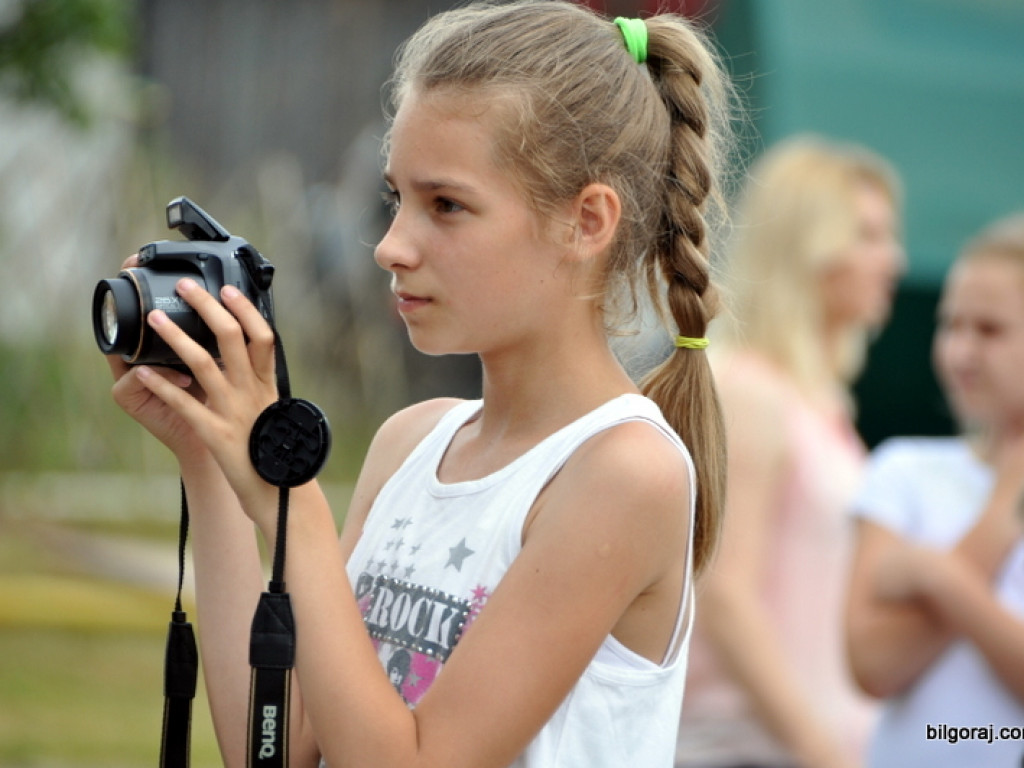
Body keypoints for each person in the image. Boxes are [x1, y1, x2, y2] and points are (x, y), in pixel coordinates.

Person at [106, 3, 739, 766]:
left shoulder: (624, 473)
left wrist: (292, 497)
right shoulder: (410, 442)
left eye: (446, 205)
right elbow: (272, 746)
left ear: (587, 222)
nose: (391, 246)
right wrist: (209, 460)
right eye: (395, 198)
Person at [676, 135, 905, 768]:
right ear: (808, 245)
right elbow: (723, 594)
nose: (893, 260)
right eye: (868, 234)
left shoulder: (818, 405)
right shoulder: (748, 390)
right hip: (742, 750)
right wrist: (820, 751)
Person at [845, 213, 1024, 768]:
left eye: (990, 330)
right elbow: (872, 664)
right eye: (951, 325)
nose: (962, 351)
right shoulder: (904, 469)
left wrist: (936, 574)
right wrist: (1002, 514)